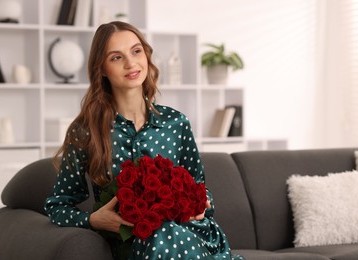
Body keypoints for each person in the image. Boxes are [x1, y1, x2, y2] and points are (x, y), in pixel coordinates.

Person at [44, 21, 244, 260]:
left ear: (146, 56)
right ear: (102, 69)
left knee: (168, 234)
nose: (131, 63)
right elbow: (57, 206)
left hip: (190, 235)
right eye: (116, 57)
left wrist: (201, 204)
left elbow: (201, 190)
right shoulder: (87, 131)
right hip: (134, 244)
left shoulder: (176, 122)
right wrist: (93, 220)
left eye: (136, 51)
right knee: (161, 235)